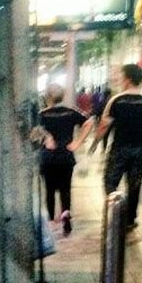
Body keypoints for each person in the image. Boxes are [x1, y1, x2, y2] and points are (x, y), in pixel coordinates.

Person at [96, 64, 142, 230]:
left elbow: (104, 125)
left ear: (127, 79)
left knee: (110, 182)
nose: (119, 79)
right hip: (140, 149)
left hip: (119, 149)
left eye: (121, 76)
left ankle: (114, 214)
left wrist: (96, 141)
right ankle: (130, 219)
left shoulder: (116, 100)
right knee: (134, 184)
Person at [37, 84, 94, 234]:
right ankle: (66, 216)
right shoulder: (71, 112)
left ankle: (50, 222)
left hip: (48, 157)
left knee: (49, 190)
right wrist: (77, 142)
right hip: (66, 156)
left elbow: (34, 130)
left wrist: (46, 137)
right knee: (65, 189)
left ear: (47, 97)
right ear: (62, 96)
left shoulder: (42, 114)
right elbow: (89, 122)